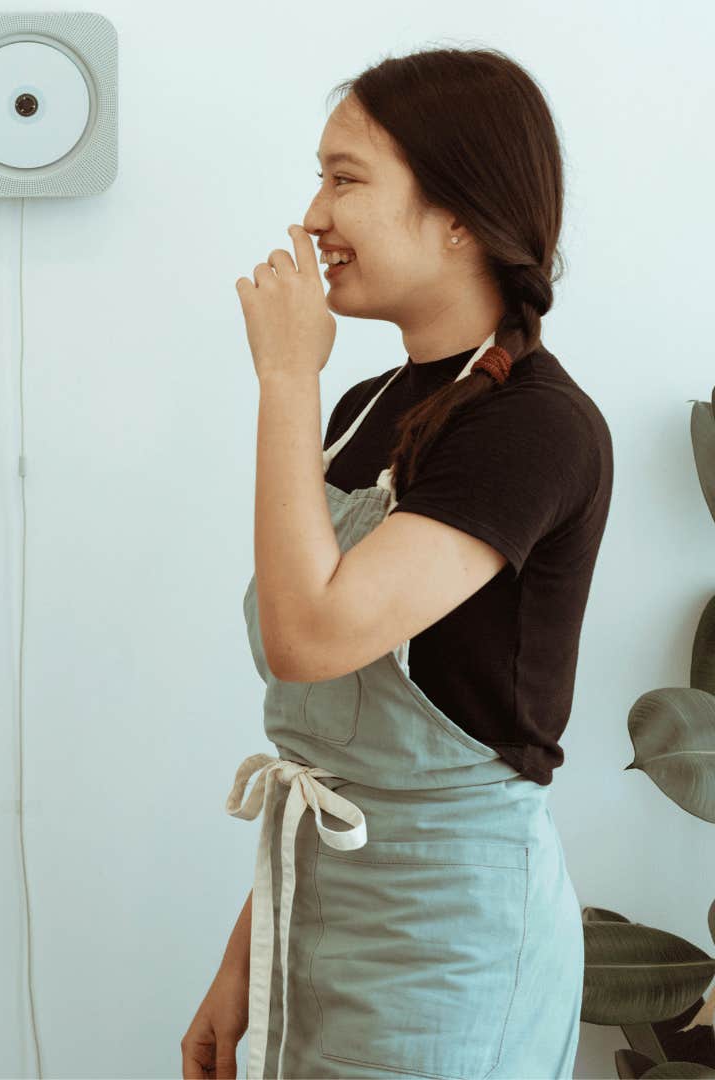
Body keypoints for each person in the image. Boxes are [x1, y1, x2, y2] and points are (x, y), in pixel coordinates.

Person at [181, 48, 612, 1079]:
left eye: (345, 178)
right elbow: (339, 760)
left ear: (459, 214)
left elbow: (310, 638)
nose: (314, 216)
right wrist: (247, 958)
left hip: (453, 941)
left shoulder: (535, 428)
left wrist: (284, 371)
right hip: (320, 912)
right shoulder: (364, 409)